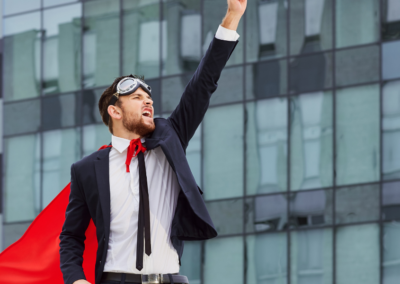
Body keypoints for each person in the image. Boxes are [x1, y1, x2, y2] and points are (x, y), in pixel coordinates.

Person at [59, 1, 247, 284]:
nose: (148, 100)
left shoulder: (170, 138)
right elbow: (71, 236)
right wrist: (76, 280)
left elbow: (203, 83)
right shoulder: (87, 170)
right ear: (115, 111)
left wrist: (232, 17)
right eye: (136, 97)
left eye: (149, 97)